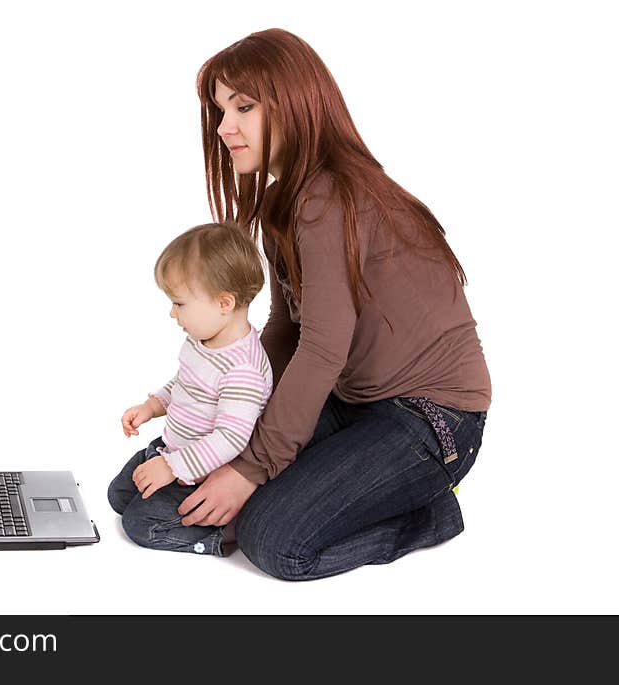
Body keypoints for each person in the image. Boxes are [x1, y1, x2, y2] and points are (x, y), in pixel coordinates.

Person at [168, 28, 492, 580]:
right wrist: (226, 391)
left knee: (273, 541)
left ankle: (431, 512)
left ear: (295, 102)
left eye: (244, 106)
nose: (225, 127)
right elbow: (287, 327)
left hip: (432, 419)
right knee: (199, 470)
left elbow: (321, 348)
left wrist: (251, 467)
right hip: (355, 400)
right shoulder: (283, 200)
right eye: (221, 110)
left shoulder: (329, 196)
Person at [107, 222, 273, 556]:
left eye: (179, 303)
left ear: (224, 303)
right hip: (172, 448)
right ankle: (165, 487)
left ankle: (221, 534)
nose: (172, 313)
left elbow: (230, 438)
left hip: (199, 474)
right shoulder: (202, 341)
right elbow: (184, 385)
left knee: (139, 525)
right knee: (119, 495)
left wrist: (172, 468)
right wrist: (152, 406)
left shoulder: (243, 369)